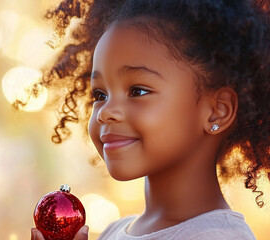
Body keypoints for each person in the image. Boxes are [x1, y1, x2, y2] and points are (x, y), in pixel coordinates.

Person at [29, 0, 270, 239]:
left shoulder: (218, 237)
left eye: (137, 91)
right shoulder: (113, 231)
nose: (104, 112)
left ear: (218, 110)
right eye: (100, 95)